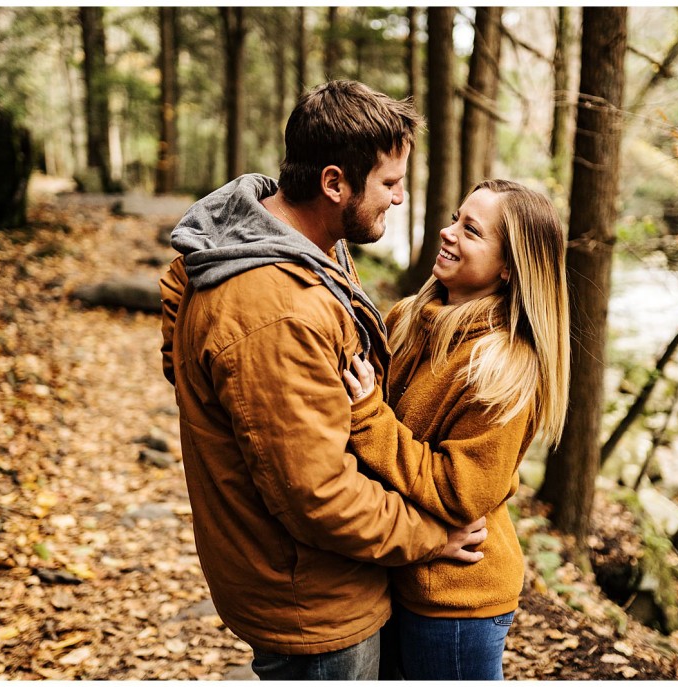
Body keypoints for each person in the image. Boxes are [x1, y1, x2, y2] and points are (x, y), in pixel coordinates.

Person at [158, 80, 487, 681]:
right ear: (334, 183)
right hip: (312, 604)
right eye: (389, 184)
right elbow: (318, 498)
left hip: (321, 579)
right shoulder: (275, 309)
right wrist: (431, 537)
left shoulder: (300, 245)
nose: (401, 198)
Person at [342, 179, 571, 680]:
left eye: (471, 230)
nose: (448, 233)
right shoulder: (407, 317)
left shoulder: (504, 368)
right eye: (454, 218)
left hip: (455, 598)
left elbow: (461, 489)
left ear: (511, 268)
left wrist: (369, 419)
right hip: (395, 571)